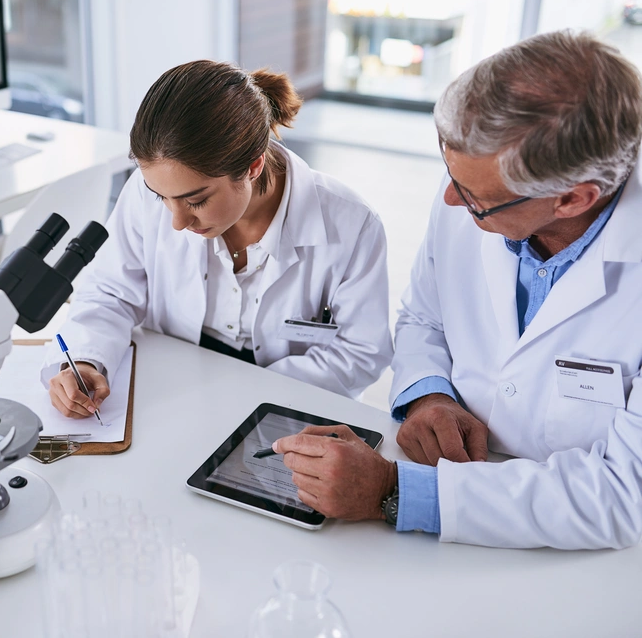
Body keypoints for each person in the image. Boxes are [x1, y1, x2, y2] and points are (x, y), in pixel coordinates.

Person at [273, 30, 642, 550]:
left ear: (573, 199)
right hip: (458, 485)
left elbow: (623, 494)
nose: (450, 200)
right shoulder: (479, 182)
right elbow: (426, 315)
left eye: (474, 200)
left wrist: (393, 491)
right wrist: (428, 395)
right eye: (450, 171)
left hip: (588, 547)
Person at [43, 60, 393, 417]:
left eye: (196, 200)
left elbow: (361, 351)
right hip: (172, 393)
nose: (176, 221)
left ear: (252, 167)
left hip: (290, 407)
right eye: (160, 197)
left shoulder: (351, 223)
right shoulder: (148, 191)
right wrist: (87, 359)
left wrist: (245, 393)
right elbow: (110, 292)